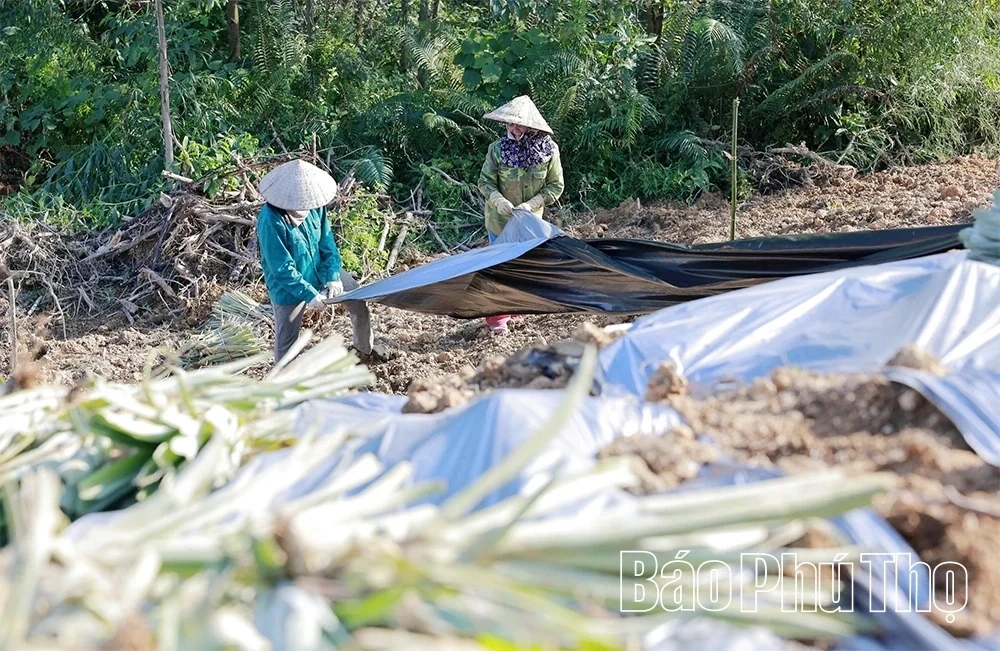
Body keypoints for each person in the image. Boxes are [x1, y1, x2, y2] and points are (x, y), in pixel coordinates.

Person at [256, 158, 386, 364]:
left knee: (357, 298)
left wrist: (333, 276)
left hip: (320, 270)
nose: (304, 208)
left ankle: (364, 349)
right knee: (287, 341)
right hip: (289, 287)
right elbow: (281, 268)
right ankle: (284, 385)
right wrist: (309, 294)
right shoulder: (271, 220)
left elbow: (327, 244)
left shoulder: (315, 206)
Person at [477, 95, 565, 334]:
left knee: (524, 268)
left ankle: (516, 307)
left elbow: (556, 186)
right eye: (510, 124)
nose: (515, 128)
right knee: (499, 268)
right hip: (500, 221)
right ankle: (498, 320)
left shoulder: (549, 150)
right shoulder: (496, 150)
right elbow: (485, 183)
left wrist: (533, 203)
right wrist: (499, 200)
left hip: (530, 221)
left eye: (520, 124)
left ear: (531, 125)